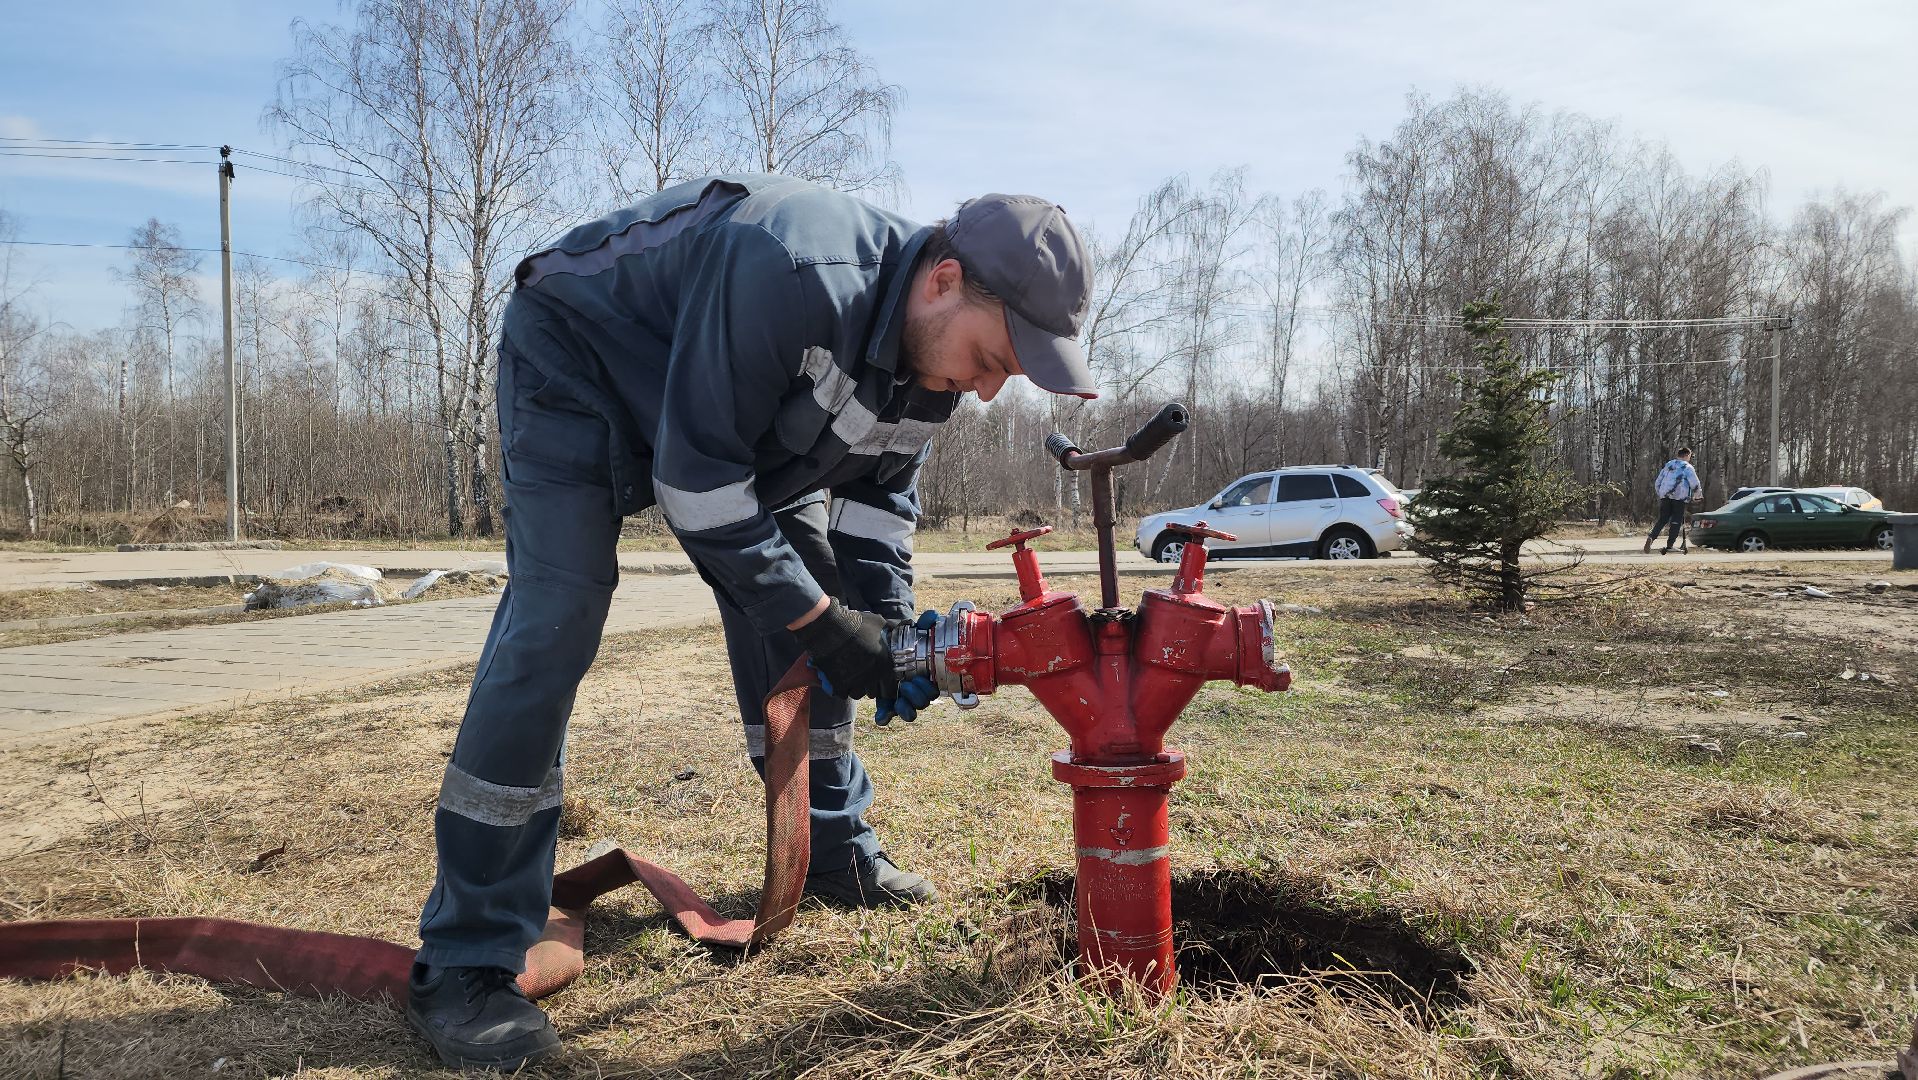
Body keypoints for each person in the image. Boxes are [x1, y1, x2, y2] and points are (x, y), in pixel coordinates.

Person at [405, 174, 1099, 1070]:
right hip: (579, 358)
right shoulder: (793, 264)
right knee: (559, 611)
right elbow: (698, 490)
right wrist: (827, 628)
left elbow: (877, 512)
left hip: (728, 418)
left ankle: (834, 849)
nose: (992, 392)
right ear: (943, 281)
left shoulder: (931, 369)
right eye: (995, 359)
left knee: (816, 592)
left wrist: (883, 637)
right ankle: (467, 954)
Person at [1643, 447, 1700, 554]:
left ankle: (1651, 537)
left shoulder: (1669, 465)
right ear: (1687, 455)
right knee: (1676, 521)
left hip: (1665, 496)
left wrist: (1660, 493)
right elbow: (1695, 483)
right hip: (1679, 497)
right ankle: (1670, 545)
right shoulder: (1687, 467)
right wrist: (1698, 496)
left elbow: (1658, 481)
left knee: (1663, 519)